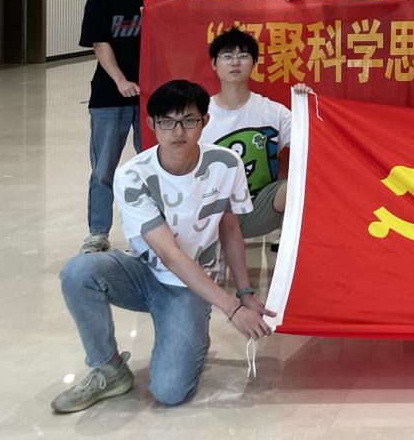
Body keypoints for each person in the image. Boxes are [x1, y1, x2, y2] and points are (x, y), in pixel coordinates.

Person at [51, 80, 273, 413]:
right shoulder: (133, 175)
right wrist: (232, 308)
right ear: (152, 124)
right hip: (142, 273)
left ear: (204, 121)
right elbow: (168, 254)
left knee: (169, 391)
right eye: (167, 122)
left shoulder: (226, 164)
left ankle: (189, 330)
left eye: (189, 120)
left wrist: (245, 293)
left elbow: (229, 228)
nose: (178, 131)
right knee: (78, 272)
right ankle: (109, 369)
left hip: (192, 287)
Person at [78, 0, 177, 254]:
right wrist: (121, 81)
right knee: (103, 169)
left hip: (154, 98)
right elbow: (100, 44)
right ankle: (98, 232)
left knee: (156, 167)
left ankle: (154, 233)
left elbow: (176, 40)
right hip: (109, 97)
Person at [203, 28, 309, 239]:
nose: (235, 62)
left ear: (254, 63)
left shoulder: (274, 112)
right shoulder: (199, 114)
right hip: (209, 211)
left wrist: (309, 106)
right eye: (227, 56)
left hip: (259, 208)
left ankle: (296, 249)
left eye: (243, 56)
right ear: (214, 64)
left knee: (299, 186)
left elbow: (312, 143)